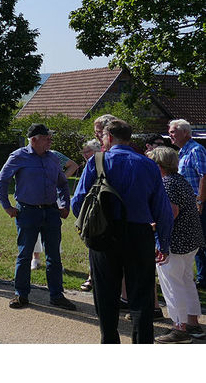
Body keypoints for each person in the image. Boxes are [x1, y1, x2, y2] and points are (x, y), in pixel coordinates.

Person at [71, 119, 174, 344]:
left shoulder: (97, 161)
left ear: (108, 137)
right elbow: (162, 209)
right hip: (139, 234)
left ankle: (109, 342)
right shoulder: (148, 164)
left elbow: (77, 201)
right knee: (141, 295)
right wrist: (162, 243)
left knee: (105, 293)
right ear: (128, 138)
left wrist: (89, 229)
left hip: (103, 233)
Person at [0, 123, 77, 311]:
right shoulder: (18, 156)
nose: (50, 140)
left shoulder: (53, 159)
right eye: (46, 137)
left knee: (54, 256)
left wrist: (65, 204)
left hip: (51, 211)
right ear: (34, 139)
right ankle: (21, 295)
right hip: (27, 211)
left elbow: (63, 183)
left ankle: (57, 295)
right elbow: (1, 181)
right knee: (25, 255)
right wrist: (7, 206)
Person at [147, 145, 205, 343]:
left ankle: (179, 328)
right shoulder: (180, 180)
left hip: (175, 242)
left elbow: (171, 213)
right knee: (186, 281)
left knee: (173, 285)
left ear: (158, 165)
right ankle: (192, 323)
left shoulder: (166, 183)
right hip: (190, 240)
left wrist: (156, 234)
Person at [167, 119, 206, 288]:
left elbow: (204, 175)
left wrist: (200, 200)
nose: (170, 135)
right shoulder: (182, 151)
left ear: (185, 133)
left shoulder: (196, 150)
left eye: (173, 131)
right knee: (194, 242)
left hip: (198, 204)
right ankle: (199, 277)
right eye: (170, 132)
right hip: (187, 205)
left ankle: (203, 278)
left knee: (201, 241)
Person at [30, 149, 80, 270]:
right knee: (33, 230)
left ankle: (54, 260)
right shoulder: (27, 154)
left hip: (52, 198)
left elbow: (73, 165)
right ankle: (35, 258)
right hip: (32, 197)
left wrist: (60, 179)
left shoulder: (54, 155)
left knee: (53, 232)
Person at [78, 138, 102, 292]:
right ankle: (91, 277)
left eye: (87, 151)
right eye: (84, 152)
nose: (85, 154)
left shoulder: (99, 162)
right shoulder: (90, 164)